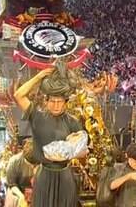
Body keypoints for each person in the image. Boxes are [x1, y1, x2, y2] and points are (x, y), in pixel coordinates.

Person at [14, 64, 87, 207]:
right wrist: (39, 76)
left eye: (60, 101)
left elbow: (84, 151)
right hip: (44, 175)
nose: (56, 105)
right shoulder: (37, 117)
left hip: (65, 176)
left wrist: (67, 155)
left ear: (66, 102)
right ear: (46, 101)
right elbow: (18, 95)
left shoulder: (73, 122)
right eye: (52, 101)